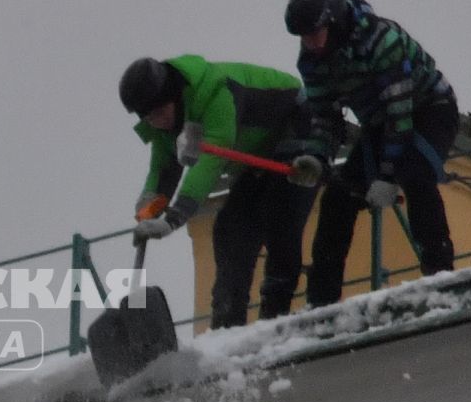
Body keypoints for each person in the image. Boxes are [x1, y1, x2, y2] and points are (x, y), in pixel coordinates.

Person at [284, 0, 460, 306]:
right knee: (338, 195)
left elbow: (401, 115)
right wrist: (317, 157)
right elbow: (326, 117)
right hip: (381, 125)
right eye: (303, 36)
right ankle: (321, 301)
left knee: (416, 172)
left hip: (428, 108)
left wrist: (387, 177)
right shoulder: (311, 60)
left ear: (333, 22)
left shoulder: (382, 41)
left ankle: (440, 272)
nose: (309, 43)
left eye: (313, 33)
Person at [119, 55, 324, 328]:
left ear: (174, 96)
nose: (156, 122)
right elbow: (163, 170)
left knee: (281, 216)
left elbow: (208, 165)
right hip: (257, 154)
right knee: (230, 230)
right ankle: (227, 325)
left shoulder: (216, 93)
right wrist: (149, 207)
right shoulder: (167, 125)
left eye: (158, 113)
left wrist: (173, 219)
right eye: (148, 117)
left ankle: (275, 319)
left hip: (297, 132)